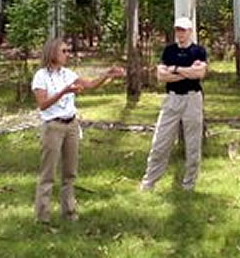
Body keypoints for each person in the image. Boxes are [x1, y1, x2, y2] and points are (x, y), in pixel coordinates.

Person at [32, 38, 124, 223]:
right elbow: (42, 105)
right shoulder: (41, 76)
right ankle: (42, 217)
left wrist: (108, 74)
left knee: (70, 172)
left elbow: (90, 85)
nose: (68, 54)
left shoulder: (68, 73)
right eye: (63, 51)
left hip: (71, 125)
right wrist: (64, 92)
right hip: (53, 126)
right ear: (52, 54)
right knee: (48, 173)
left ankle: (70, 212)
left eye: (67, 51)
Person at [140, 17, 208, 191]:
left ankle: (189, 184)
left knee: (193, 144)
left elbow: (199, 73)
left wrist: (176, 69)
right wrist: (187, 71)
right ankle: (149, 182)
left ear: (190, 31)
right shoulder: (169, 51)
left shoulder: (198, 51)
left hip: (192, 99)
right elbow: (161, 75)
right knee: (160, 142)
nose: (180, 33)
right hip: (172, 99)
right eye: (178, 30)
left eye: (184, 30)